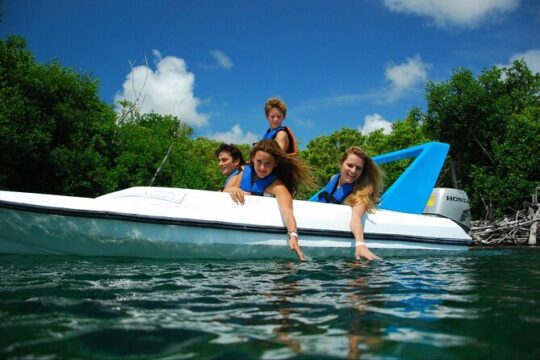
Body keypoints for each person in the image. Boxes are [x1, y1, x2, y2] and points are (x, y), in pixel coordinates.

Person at [224, 140, 314, 261]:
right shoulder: (243, 172)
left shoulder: (277, 186)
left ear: (275, 163)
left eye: (268, 164)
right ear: (252, 159)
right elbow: (225, 192)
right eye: (259, 161)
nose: (262, 167)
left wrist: (293, 236)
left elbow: (287, 211)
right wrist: (232, 189)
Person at [310, 146, 383, 261]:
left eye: (358, 168)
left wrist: (360, 244)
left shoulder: (360, 193)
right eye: (350, 165)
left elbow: (356, 218)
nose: (353, 171)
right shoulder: (333, 179)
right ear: (341, 163)